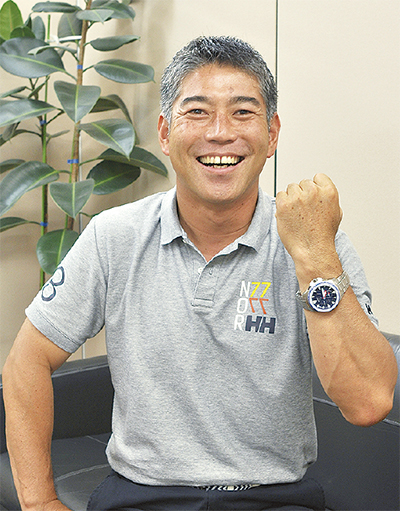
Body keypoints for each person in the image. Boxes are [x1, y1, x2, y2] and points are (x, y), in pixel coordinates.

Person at [3, 36, 397, 511]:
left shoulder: (315, 241)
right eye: (197, 112)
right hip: (140, 496)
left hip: (273, 498)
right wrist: (40, 502)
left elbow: (369, 402)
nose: (220, 133)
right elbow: (26, 361)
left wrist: (315, 259)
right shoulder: (115, 235)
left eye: (242, 112)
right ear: (165, 133)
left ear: (272, 134)